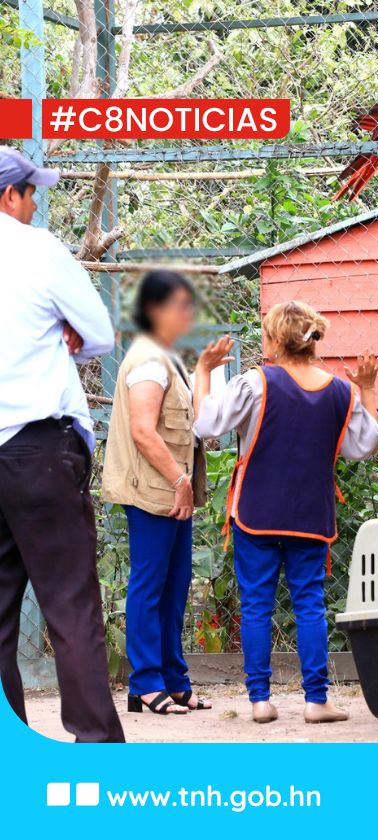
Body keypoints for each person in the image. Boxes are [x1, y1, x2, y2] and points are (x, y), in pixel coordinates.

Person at [192, 301, 378, 725]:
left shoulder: (256, 383)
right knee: (309, 604)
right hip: (311, 515)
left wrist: (203, 372)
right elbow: (362, 447)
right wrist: (367, 387)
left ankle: (260, 700)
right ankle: (317, 701)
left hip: (257, 510)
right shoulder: (341, 391)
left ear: (277, 340)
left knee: (256, 604)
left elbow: (206, 426)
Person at [0, 147, 125, 742]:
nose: (33, 205)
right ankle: (97, 753)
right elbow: (99, 332)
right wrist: (64, 331)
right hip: (39, 448)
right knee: (70, 603)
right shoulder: (37, 249)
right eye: (29, 194)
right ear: (8, 197)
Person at [102, 271, 210, 716]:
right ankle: (145, 681)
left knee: (176, 584)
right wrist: (180, 480)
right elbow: (145, 432)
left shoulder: (168, 358)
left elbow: (194, 423)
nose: (188, 313)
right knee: (149, 586)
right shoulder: (148, 360)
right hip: (153, 492)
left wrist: (203, 370)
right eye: (179, 305)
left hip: (171, 492)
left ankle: (174, 679)